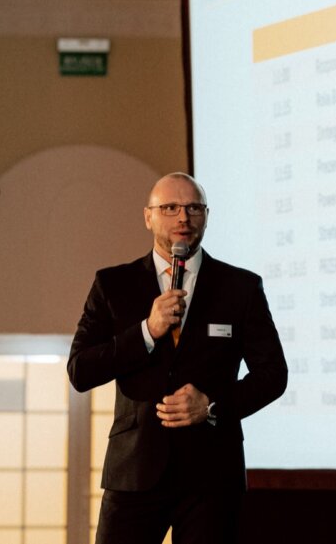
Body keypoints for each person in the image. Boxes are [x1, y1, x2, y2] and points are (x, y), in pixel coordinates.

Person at [69, 172, 287, 544]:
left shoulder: (241, 287)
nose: (182, 217)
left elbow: (273, 374)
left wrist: (212, 405)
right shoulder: (113, 284)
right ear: (148, 216)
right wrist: (146, 331)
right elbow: (80, 370)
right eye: (169, 207)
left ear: (206, 216)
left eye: (193, 208)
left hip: (212, 476)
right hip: (134, 471)